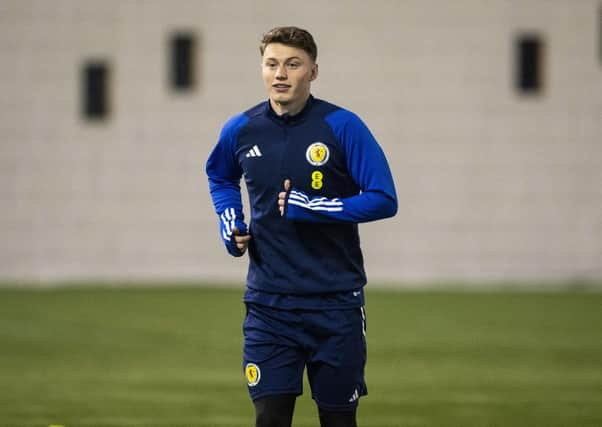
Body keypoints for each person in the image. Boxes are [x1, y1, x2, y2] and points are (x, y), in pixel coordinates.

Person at [205, 26, 397, 427]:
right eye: (272, 64)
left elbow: (383, 197)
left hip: (335, 305)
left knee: (338, 421)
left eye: (293, 64)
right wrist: (230, 223)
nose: (281, 74)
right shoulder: (241, 129)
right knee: (270, 419)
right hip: (269, 307)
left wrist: (316, 206)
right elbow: (221, 176)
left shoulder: (343, 126)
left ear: (313, 71)